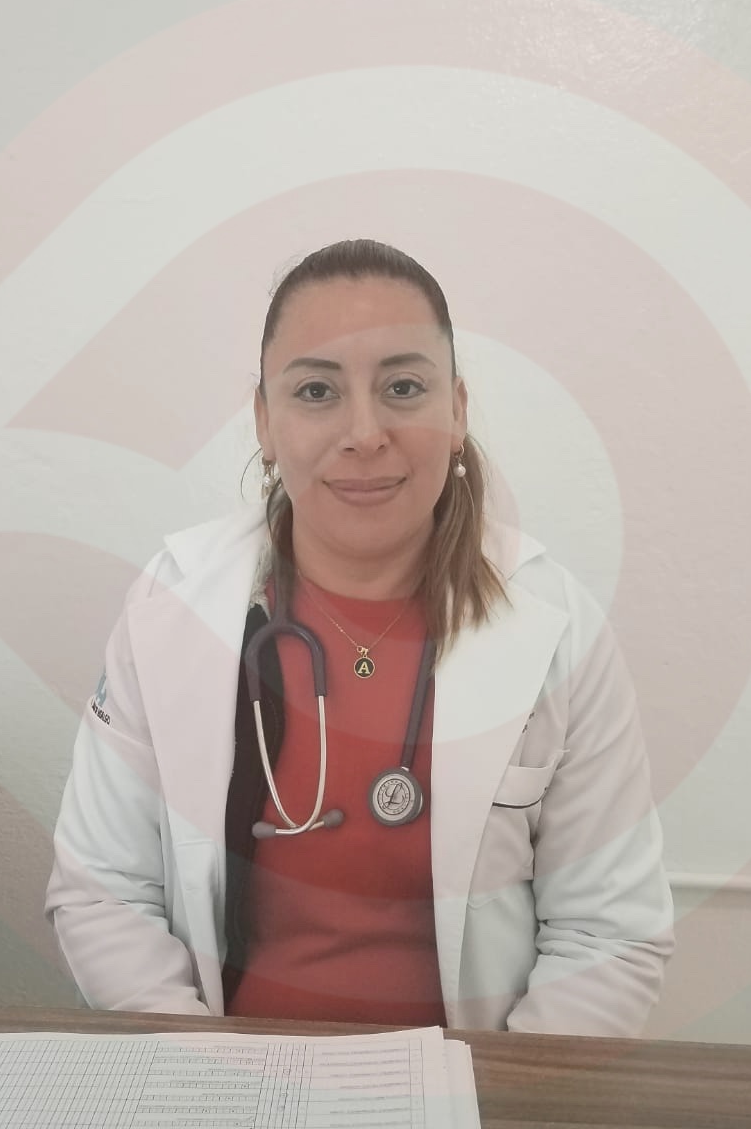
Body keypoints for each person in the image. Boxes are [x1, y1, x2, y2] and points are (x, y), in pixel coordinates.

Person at [45, 240, 673, 1035]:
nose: (364, 432)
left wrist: (497, 1091)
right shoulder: (170, 607)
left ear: (457, 412)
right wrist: (199, 1068)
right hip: (222, 1071)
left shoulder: (555, 624)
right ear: (264, 422)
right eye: (316, 391)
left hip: (475, 1080)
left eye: (403, 388)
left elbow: (607, 932)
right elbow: (103, 892)